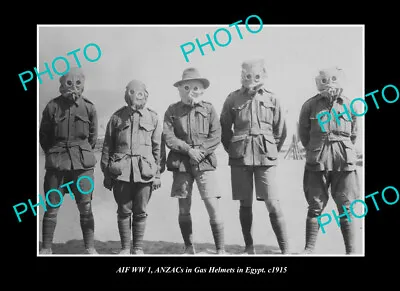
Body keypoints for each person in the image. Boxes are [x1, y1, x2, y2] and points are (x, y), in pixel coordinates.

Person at [220, 59, 289, 255]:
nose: (252, 79)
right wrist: (234, 150)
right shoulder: (232, 99)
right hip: (240, 157)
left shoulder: (272, 99)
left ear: (263, 75)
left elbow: (280, 131)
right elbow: (224, 129)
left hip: (265, 157)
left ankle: (285, 249)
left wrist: (269, 149)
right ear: (242, 76)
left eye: (256, 75)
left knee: (272, 201)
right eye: (248, 75)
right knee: (245, 202)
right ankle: (249, 248)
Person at [163, 67, 225, 255]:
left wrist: (201, 151)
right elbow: (168, 135)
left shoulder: (209, 109)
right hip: (181, 164)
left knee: (212, 203)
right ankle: (189, 247)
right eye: (187, 87)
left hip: (205, 163)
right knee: (184, 206)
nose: (192, 91)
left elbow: (216, 135)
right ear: (180, 88)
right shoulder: (172, 110)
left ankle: (220, 249)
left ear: (202, 89)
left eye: (196, 87)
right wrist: (188, 150)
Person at [298, 67, 359, 255]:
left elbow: (353, 134)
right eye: (324, 80)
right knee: (315, 205)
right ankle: (309, 249)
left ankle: (351, 251)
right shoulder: (310, 106)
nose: (329, 85)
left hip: (344, 160)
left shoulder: (349, 105)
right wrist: (318, 149)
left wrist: (341, 148)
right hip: (318, 159)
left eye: (333, 80)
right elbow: (304, 135)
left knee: (346, 206)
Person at [39, 67, 98, 255]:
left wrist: (81, 152)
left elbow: (93, 138)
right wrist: (55, 153)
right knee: (52, 205)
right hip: (57, 165)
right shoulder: (52, 107)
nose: (73, 86)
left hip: (82, 167)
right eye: (69, 82)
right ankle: (47, 248)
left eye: (78, 82)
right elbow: (44, 137)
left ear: (83, 84)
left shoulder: (89, 107)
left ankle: (90, 247)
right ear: (62, 84)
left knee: (85, 205)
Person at [101, 80, 162, 255]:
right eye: (133, 92)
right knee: (123, 210)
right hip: (121, 172)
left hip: (145, 172)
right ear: (127, 94)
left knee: (141, 211)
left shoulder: (153, 117)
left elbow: (158, 149)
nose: (137, 95)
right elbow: (107, 147)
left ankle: (138, 248)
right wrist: (107, 173)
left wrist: (157, 175)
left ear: (146, 94)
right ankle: (125, 248)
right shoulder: (117, 117)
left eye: (141, 92)